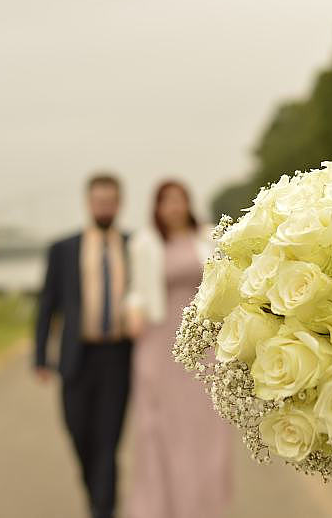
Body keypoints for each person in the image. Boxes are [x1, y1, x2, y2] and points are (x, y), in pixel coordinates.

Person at [125, 181, 233, 518]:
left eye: (178, 200)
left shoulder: (209, 237)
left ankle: (202, 507)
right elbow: (136, 291)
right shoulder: (145, 243)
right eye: (165, 202)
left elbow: (228, 281)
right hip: (159, 343)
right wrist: (131, 311)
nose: (172, 208)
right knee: (157, 428)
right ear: (156, 207)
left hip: (204, 345)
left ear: (188, 203)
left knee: (206, 430)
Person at [34, 174, 131, 518]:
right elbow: (47, 305)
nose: (104, 206)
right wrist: (40, 357)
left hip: (120, 357)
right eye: (98, 200)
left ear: (120, 204)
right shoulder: (64, 249)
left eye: (110, 200)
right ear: (88, 203)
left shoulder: (136, 245)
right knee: (79, 434)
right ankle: (97, 498)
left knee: (108, 439)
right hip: (77, 358)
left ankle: (103, 508)